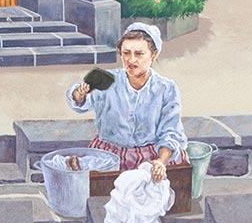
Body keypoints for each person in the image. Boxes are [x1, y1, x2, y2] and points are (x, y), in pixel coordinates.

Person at [66, 23, 188, 183]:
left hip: (150, 157)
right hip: (110, 154)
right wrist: (79, 95)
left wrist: (161, 161)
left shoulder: (166, 88)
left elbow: (171, 131)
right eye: (126, 53)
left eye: (139, 54)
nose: (131, 60)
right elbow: (83, 101)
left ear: (153, 55)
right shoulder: (108, 79)